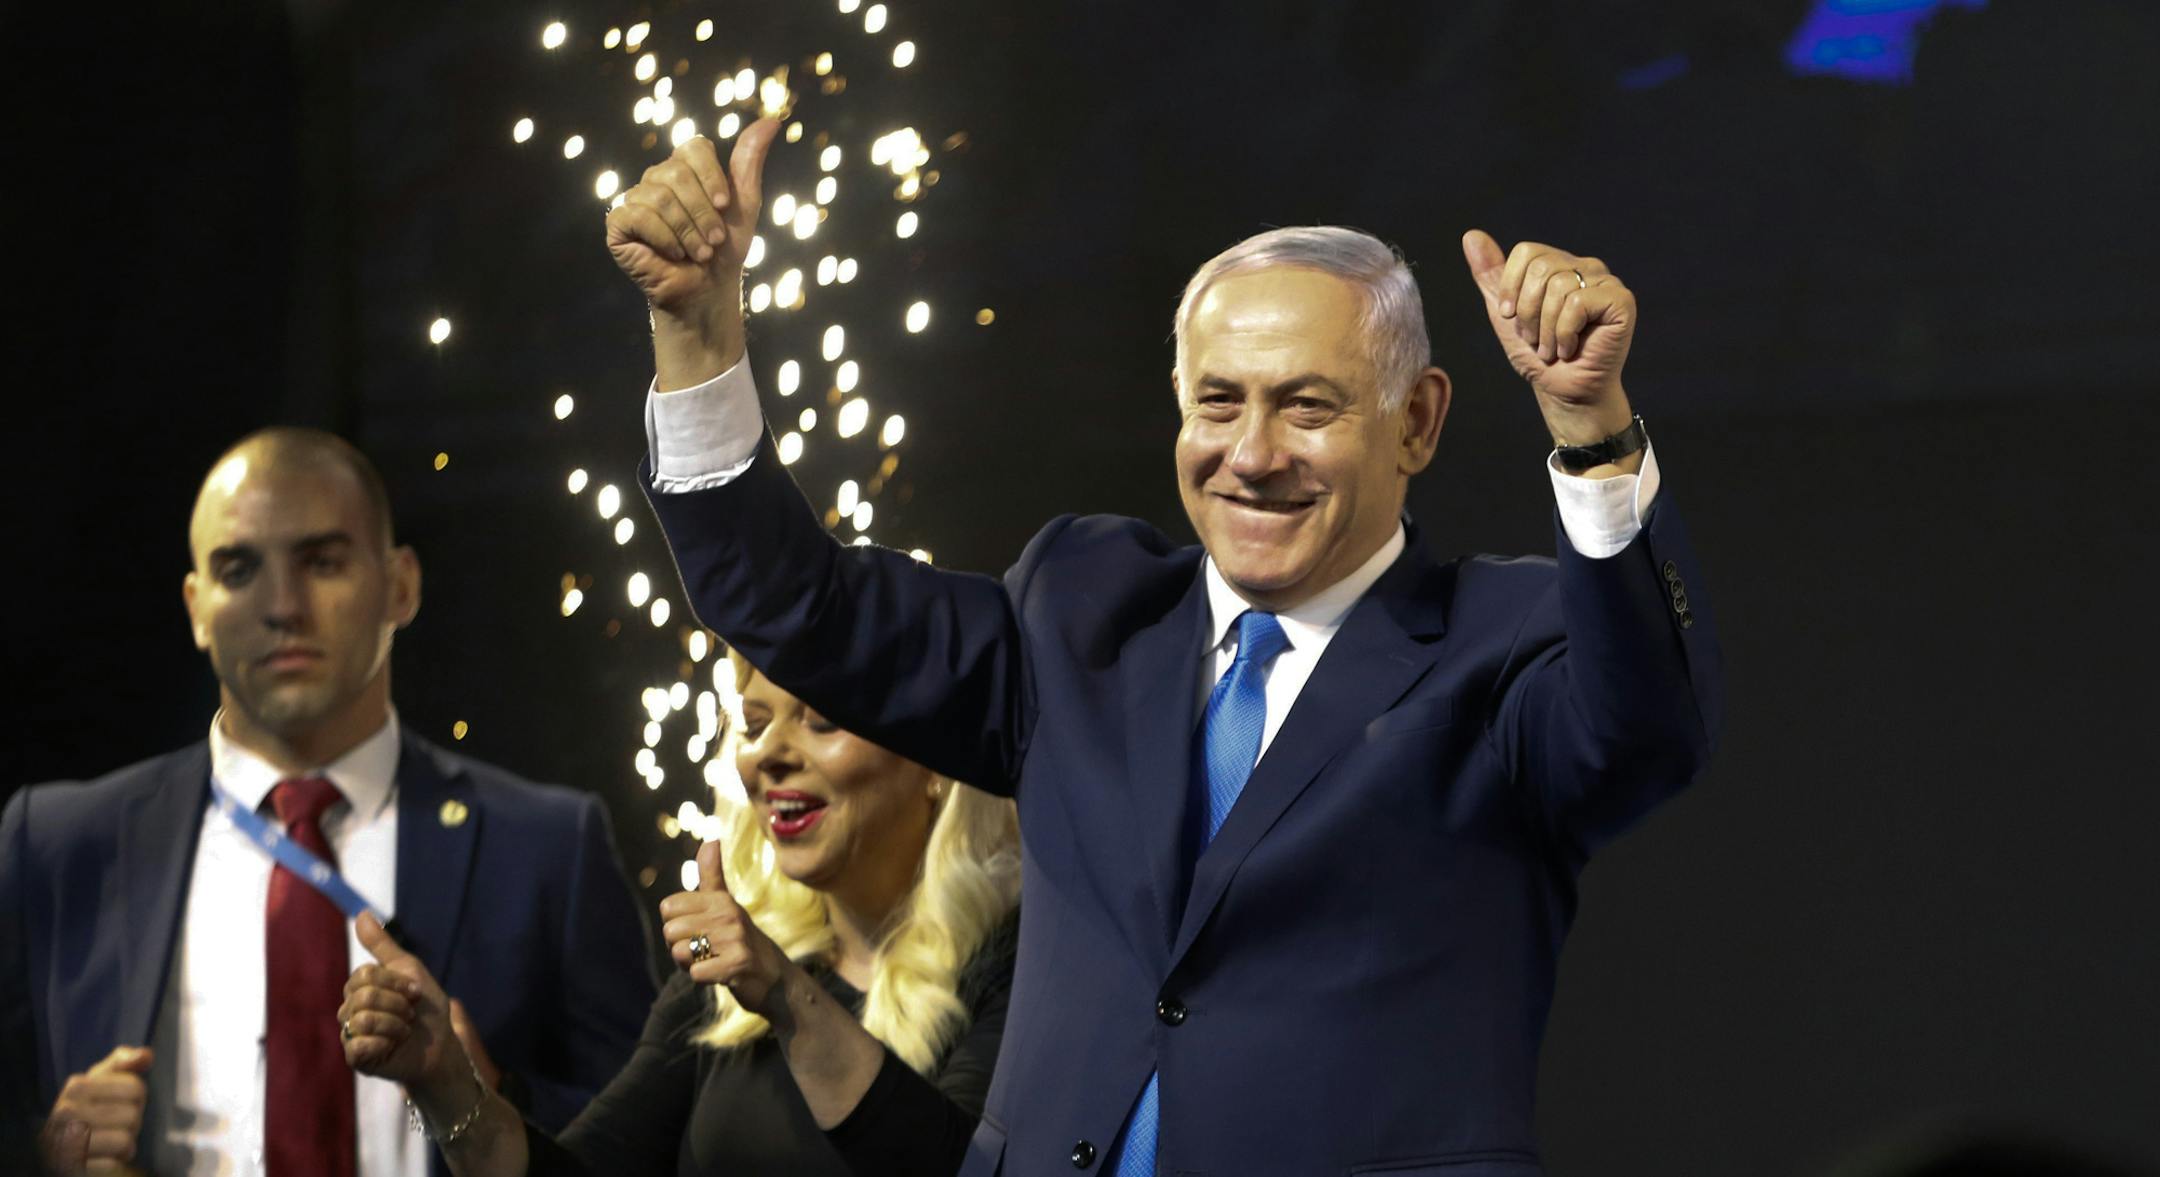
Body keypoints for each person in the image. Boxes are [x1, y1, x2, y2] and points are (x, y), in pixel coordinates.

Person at [612, 121, 1722, 1176]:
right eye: (1218, 403)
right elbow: (795, 608)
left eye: (1308, 407)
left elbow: (1644, 734)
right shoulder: (1079, 614)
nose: (1252, 454)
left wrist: (1592, 429)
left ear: (1418, 421)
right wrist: (700, 336)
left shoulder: (1503, 644)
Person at [0, 428, 658, 1177]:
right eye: (239, 568)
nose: (283, 606)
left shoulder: (549, 846)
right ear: (195, 607)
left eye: (322, 561)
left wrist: (492, 1096)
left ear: (401, 585)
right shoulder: (55, 845)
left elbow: (652, 1142)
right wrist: (42, 1157)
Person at [339, 654, 1021, 1176]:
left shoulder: (1020, 966)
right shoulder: (723, 983)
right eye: (754, 724)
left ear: (937, 759)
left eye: (820, 719)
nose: (770, 754)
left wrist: (789, 998)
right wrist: (449, 1087)